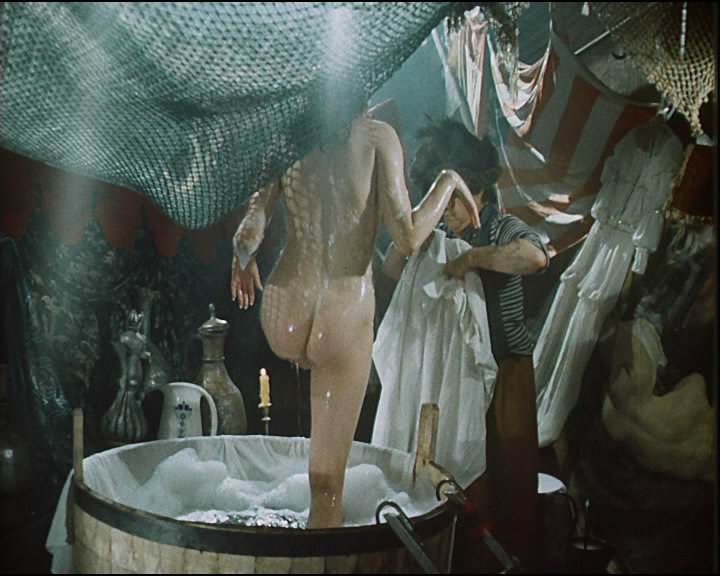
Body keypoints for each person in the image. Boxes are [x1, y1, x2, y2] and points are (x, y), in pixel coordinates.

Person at [230, 109, 480, 529]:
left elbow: (248, 234)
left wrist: (242, 261)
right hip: (341, 311)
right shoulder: (378, 138)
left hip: (284, 307)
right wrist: (448, 181)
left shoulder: (286, 137)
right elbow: (408, 237)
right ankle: (321, 553)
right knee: (327, 483)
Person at [384, 118, 550, 571]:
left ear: (476, 188)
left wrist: (474, 258)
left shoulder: (501, 228)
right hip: (455, 379)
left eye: (454, 201)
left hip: (506, 372)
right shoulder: (438, 235)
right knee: (455, 477)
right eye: (443, 202)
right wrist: (419, 227)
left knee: (506, 476)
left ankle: (507, 562)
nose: (450, 212)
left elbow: (535, 257)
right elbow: (392, 266)